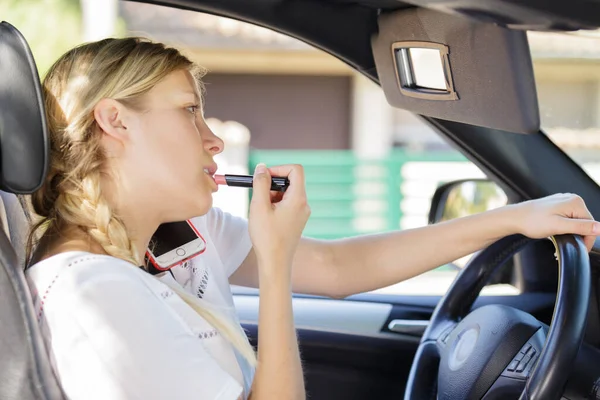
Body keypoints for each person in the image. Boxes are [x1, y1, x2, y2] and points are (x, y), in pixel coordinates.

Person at [24, 37, 598, 400]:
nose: (214, 139)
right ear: (116, 122)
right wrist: (274, 267)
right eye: (190, 112)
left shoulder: (171, 237)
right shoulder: (91, 296)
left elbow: (337, 264)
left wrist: (511, 219)